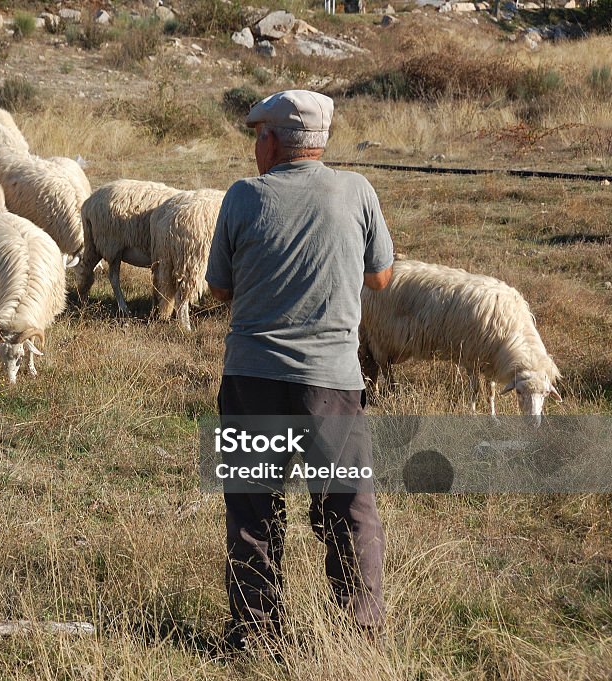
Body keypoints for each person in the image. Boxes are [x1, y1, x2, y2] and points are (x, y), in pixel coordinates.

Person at [205, 90, 394, 651]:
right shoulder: (357, 191)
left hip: (251, 379)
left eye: (257, 135)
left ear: (273, 141)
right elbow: (381, 278)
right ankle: (360, 633)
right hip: (332, 381)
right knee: (348, 504)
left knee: (252, 508)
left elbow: (218, 288)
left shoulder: (243, 197)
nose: (253, 147)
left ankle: (257, 635)